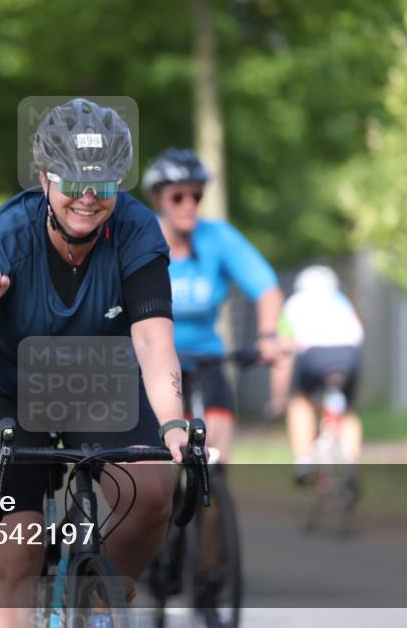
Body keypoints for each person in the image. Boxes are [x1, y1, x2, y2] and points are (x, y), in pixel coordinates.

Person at [0, 98, 188, 627]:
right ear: (45, 178)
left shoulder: (137, 232)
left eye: (106, 184)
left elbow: (155, 341)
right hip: (0, 389)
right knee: (17, 553)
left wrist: (174, 424)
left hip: (92, 378)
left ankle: (99, 599)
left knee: (155, 490)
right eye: (73, 183)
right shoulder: (7, 234)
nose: (89, 199)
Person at [141, 148, 284, 461]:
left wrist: (268, 336)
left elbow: (267, 290)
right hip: (151, 364)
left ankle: (214, 500)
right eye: (178, 197)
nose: (189, 205)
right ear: (158, 199)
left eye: (197, 196)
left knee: (216, 457)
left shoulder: (218, 238)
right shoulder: (140, 236)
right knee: (152, 471)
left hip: (207, 360)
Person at [270, 265, 365, 485]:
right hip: (348, 356)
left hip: (314, 357)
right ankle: (351, 463)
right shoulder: (342, 301)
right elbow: (359, 335)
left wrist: (279, 397)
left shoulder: (293, 305)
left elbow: (283, 355)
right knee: (348, 412)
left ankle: (303, 458)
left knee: (301, 402)